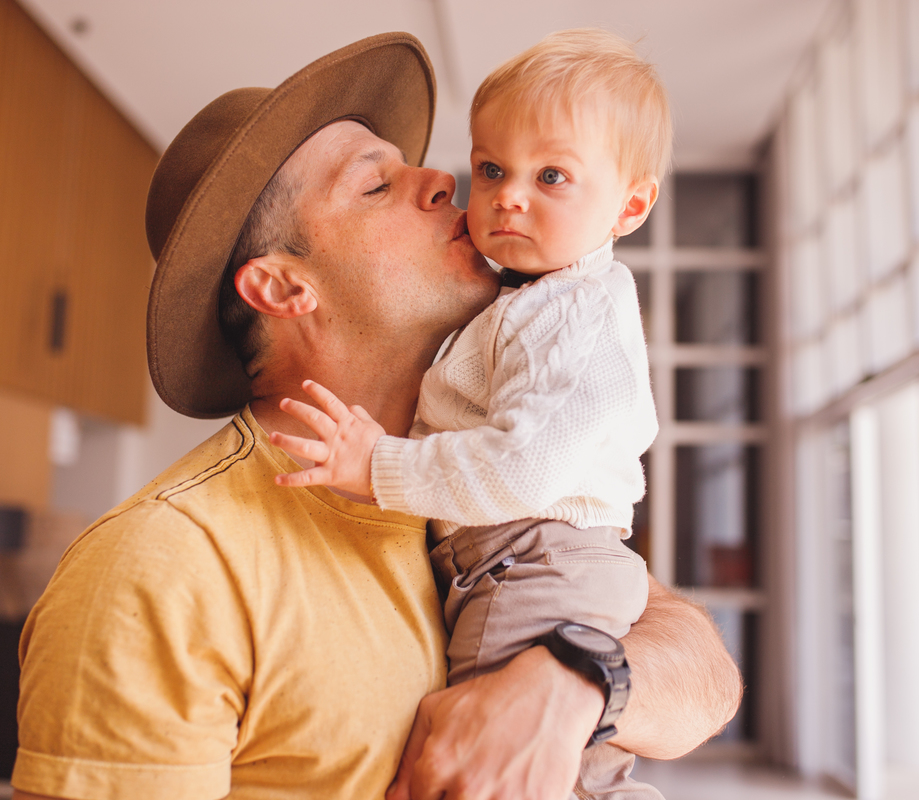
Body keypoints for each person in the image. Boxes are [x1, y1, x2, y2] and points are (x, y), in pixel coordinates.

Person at [11, 33, 740, 800]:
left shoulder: (475, 477)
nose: (440, 178)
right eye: (374, 186)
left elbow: (708, 678)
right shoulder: (162, 565)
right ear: (283, 288)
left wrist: (573, 684)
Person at [270, 28, 669, 798]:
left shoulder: (567, 312)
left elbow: (525, 468)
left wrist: (375, 465)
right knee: (576, 771)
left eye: (552, 175)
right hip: (535, 557)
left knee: (483, 762)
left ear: (630, 204)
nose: (504, 196)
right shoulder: (534, 303)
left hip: (529, 559)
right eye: (491, 168)